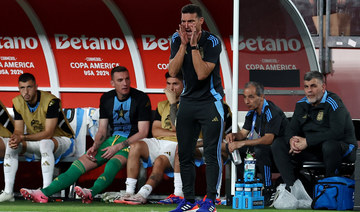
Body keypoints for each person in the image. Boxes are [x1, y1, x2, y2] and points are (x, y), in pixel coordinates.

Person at [20, 66, 152, 203]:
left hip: (134, 143)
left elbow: (143, 132)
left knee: (112, 164)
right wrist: (95, 146)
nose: (124, 83)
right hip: (112, 140)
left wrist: (118, 147)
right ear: (112, 83)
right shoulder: (107, 98)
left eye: (127, 79)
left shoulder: (141, 98)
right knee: (80, 163)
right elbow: (102, 130)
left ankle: (91, 192)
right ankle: (43, 193)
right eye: (120, 80)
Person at [168, 4, 224, 212]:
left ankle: (210, 201)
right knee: (184, 154)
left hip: (210, 102)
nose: (187, 25)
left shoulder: (211, 41)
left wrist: (192, 46)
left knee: (211, 154)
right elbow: (173, 71)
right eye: (183, 22)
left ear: (201, 21)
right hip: (188, 102)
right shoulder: (176, 39)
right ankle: (189, 200)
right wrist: (183, 45)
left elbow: (202, 74)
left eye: (191, 21)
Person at [272, 71, 357, 191]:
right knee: (279, 144)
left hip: (341, 148)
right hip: (313, 148)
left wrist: (307, 141)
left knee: (330, 145)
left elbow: (337, 132)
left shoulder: (333, 102)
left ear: (323, 87)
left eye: (313, 86)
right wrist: (292, 140)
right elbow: (290, 129)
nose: (309, 91)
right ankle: (292, 189)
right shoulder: (301, 104)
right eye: (306, 87)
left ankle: (330, 188)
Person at [111, 71, 183, 205]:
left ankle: (142, 194)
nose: (171, 88)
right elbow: (155, 131)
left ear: (184, 85)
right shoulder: (162, 105)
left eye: (175, 84)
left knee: (160, 160)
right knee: (135, 145)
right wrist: (175, 133)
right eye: (168, 84)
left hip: (177, 145)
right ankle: (129, 192)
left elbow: (176, 127)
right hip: (159, 142)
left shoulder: (189, 104)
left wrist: (173, 103)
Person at [0, 73, 74, 202]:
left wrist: (22, 137)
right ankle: (8, 193)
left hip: (62, 141)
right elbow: (18, 130)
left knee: (45, 142)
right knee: (11, 146)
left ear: (36, 87)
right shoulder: (17, 102)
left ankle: (46, 191)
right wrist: (16, 138)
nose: (25, 92)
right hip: (36, 142)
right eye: (22, 88)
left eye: (29, 87)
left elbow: (48, 133)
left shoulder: (51, 101)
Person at [225, 81, 288, 206]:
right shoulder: (251, 112)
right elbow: (243, 134)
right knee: (231, 147)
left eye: (251, 97)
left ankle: (269, 189)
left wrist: (242, 143)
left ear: (262, 97)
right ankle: (247, 184)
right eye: (245, 97)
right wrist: (234, 136)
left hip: (280, 152)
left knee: (260, 149)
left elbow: (268, 139)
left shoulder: (271, 111)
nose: (247, 101)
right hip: (265, 150)